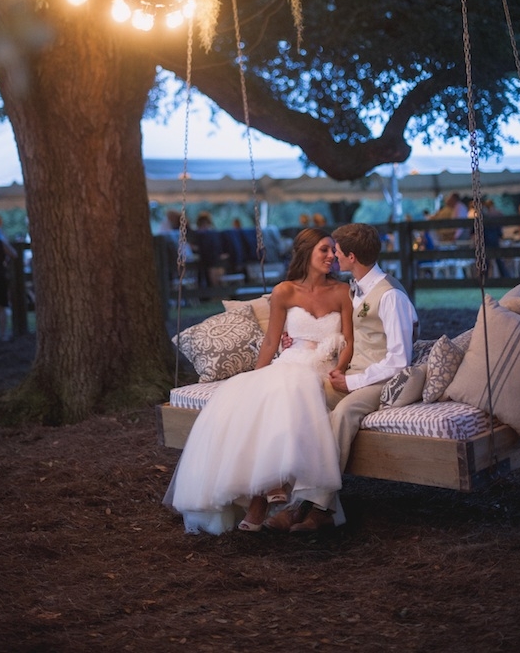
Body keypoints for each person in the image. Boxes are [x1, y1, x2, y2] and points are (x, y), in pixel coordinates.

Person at [163, 228, 354, 534]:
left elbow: (349, 338)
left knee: (294, 387)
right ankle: (267, 487)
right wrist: (258, 375)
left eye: (334, 250)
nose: (333, 256)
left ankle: (262, 499)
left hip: (322, 367)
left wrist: (341, 368)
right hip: (290, 362)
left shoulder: (342, 291)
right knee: (251, 392)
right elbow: (270, 342)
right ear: (306, 253)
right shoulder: (285, 291)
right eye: (325, 250)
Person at [265, 222, 418, 532]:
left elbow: (400, 360)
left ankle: (315, 507)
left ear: (350, 256)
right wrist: (294, 338)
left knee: (344, 413)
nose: (333, 256)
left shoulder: (390, 296)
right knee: (304, 398)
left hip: (381, 381)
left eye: (335, 251)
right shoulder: (354, 287)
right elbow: (343, 330)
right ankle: (297, 499)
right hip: (352, 373)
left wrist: (352, 382)